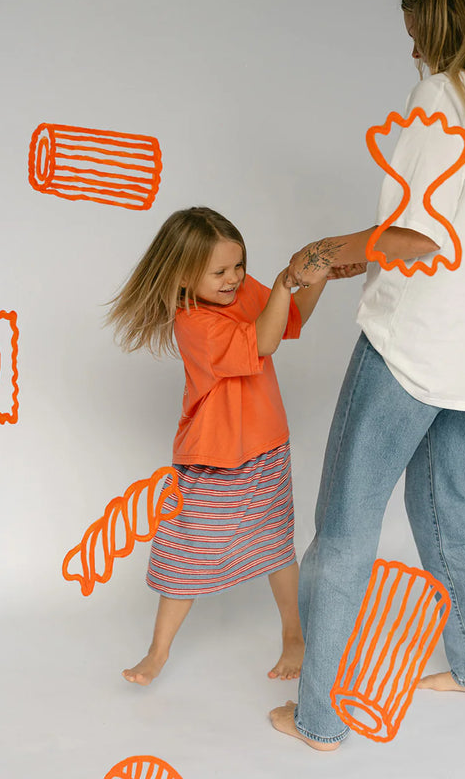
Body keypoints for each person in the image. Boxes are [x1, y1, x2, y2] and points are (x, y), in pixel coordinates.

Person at [270, 0, 465, 749]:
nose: (412, 56)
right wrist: (355, 251)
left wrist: (323, 252)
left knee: (343, 527)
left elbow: (414, 237)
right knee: (451, 514)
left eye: (416, 37)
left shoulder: (445, 96)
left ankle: (317, 716)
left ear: (441, 26)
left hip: (413, 348)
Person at [106, 206, 327, 685]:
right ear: (184, 275)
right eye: (220, 271)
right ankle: (158, 650)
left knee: (275, 544)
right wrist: (287, 283)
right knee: (186, 550)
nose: (234, 279)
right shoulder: (194, 323)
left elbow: (289, 320)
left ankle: (295, 635)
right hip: (213, 459)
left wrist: (320, 275)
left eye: (239, 266)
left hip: (267, 446)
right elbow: (264, 342)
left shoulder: (243, 291)